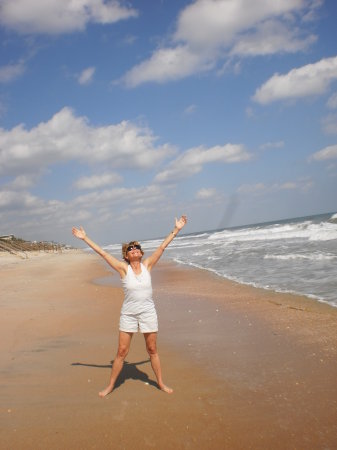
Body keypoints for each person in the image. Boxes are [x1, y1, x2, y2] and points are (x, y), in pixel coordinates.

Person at [72, 215, 187, 397]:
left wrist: (177, 229)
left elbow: (162, 247)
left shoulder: (148, 265)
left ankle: (161, 383)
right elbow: (103, 253)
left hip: (148, 312)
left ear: (141, 253)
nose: (134, 250)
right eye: (130, 249)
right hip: (129, 314)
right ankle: (110, 386)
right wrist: (85, 238)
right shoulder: (122, 269)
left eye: (137, 248)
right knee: (122, 351)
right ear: (126, 255)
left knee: (152, 350)